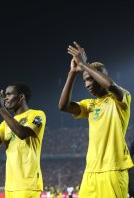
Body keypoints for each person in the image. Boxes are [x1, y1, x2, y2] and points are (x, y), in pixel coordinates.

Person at [59, 41, 133, 197]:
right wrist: (73, 72)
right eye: (85, 79)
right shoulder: (89, 105)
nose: (87, 84)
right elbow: (63, 106)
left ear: (102, 76)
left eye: (91, 78)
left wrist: (84, 65)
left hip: (113, 169)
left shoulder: (121, 98)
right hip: (90, 171)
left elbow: (111, 86)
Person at [0, 83, 46, 198]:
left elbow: (22, 133)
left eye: (8, 94)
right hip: (10, 186)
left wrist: (1, 109)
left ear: (21, 97)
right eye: (4, 96)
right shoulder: (6, 123)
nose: (5, 98)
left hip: (28, 185)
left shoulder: (37, 115)